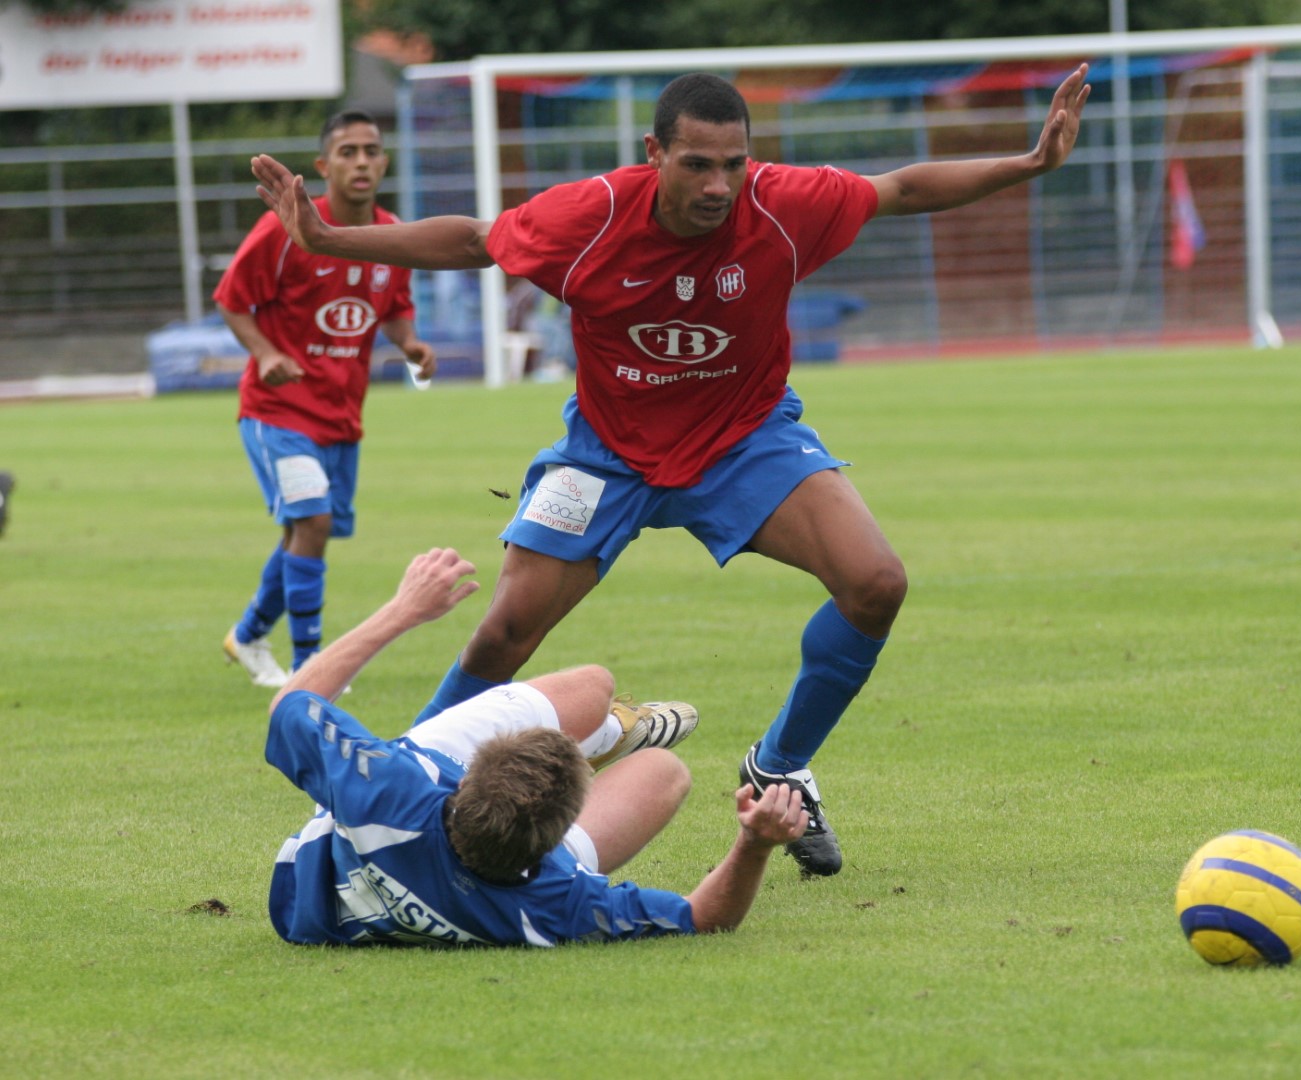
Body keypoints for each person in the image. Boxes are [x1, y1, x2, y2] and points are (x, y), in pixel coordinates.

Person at [247, 67, 1092, 876]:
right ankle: (398, 795)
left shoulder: (783, 205)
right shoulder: (589, 217)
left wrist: (1028, 163)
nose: (719, 185)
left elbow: (900, 188)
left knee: (876, 583)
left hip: (742, 440)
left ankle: (779, 766)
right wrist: (326, 236)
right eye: (697, 164)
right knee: (505, 632)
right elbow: (474, 240)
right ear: (654, 154)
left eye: (733, 163)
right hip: (607, 456)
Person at [266, 546, 808, 946]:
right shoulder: (555, 901)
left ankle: (597, 737)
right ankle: (604, 735)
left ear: (465, 779)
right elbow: (704, 918)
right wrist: (755, 845)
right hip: (461, 865)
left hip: (301, 896)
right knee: (654, 759)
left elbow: (289, 705)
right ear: (555, 841)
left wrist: (404, 609)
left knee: (595, 697)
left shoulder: (389, 787)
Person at [216, 110, 438, 688]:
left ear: (384, 162)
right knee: (312, 519)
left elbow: (395, 307)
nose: (361, 161)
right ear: (323, 166)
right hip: (277, 411)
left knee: (305, 532)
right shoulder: (284, 229)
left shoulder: (391, 234)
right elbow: (232, 300)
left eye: (371, 150)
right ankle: (312, 666)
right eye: (348, 151)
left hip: (341, 417)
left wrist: (410, 344)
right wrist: (266, 353)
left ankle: (247, 635)